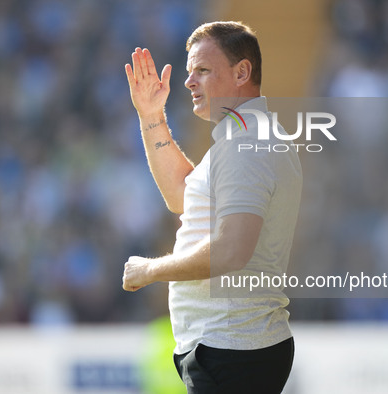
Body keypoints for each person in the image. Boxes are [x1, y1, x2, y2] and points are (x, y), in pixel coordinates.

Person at [123, 21, 302, 393]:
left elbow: (231, 249)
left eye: (202, 70)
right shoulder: (245, 137)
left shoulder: (247, 144)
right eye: (190, 72)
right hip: (232, 347)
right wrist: (151, 116)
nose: (189, 82)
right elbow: (181, 197)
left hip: (231, 349)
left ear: (242, 72)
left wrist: (151, 270)